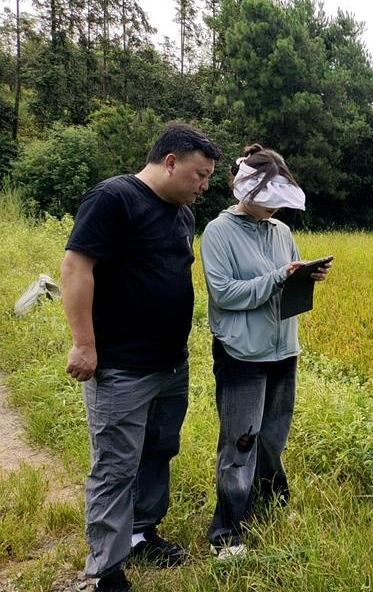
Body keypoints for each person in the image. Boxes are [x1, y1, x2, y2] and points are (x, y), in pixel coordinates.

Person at [60, 123, 222, 592]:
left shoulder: (182, 214)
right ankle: (106, 571)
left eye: (209, 177)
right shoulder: (114, 198)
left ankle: (141, 531)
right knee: (115, 466)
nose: (204, 186)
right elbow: (76, 267)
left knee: (159, 450)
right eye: (199, 174)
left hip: (170, 364)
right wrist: (84, 343)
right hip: (121, 367)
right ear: (170, 162)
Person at [200, 144, 330, 559]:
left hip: (283, 349)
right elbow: (224, 294)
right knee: (240, 441)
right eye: (269, 202)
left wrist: (305, 274)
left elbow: (285, 281)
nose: (275, 211)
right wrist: (277, 277)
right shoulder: (219, 231)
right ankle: (227, 532)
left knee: (273, 437)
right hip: (242, 353)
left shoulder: (282, 232)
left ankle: (271, 504)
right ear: (247, 192)